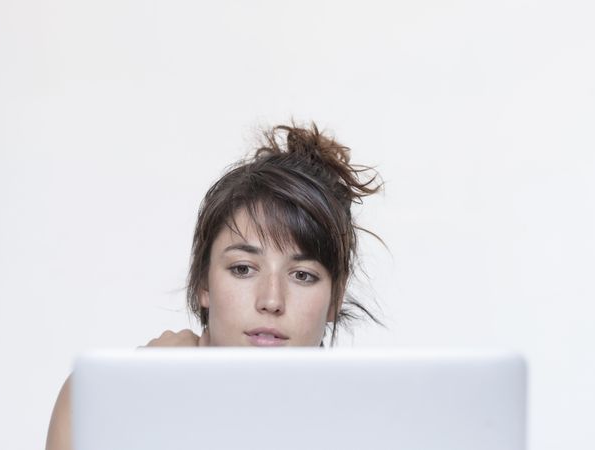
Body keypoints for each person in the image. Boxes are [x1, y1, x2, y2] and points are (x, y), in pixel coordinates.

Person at [45, 121, 383, 450]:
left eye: (302, 275)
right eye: (243, 269)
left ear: (335, 297)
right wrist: (143, 396)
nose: (271, 300)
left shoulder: (369, 426)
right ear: (203, 283)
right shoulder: (100, 398)